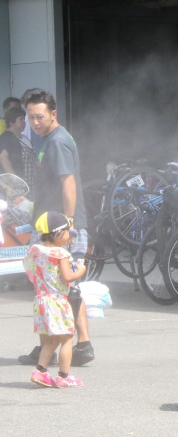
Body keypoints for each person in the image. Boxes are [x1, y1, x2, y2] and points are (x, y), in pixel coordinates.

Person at [17, 89, 94, 367]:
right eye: (30, 117)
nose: (35, 122)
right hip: (51, 225)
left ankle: (54, 346)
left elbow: (68, 183)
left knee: (53, 289)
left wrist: (68, 225)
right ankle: (79, 344)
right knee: (64, 288)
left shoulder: (57, 142)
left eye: (39, 117)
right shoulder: (47, 138)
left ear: (53, 114)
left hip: (59, 229)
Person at [24, 211, 87, 388]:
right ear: (58, 233)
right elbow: (68, 277)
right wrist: (81, 270)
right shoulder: (61, 254)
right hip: (57, 301)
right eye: (68, 232)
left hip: (41, 300)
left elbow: (30, 273)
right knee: (67, 337)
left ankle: (41, 371)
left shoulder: (35, 251)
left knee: (52, 339)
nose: (69, 236)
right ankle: (64, 376)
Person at [0, 107, 35, 198]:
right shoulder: (7, 137)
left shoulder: (24, 139)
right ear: (11, 122)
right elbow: (3, 157)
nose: (24, 122)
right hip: (15, 189)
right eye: (20, 119)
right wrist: (16, 182)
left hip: (29, 185)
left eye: (24, 119)